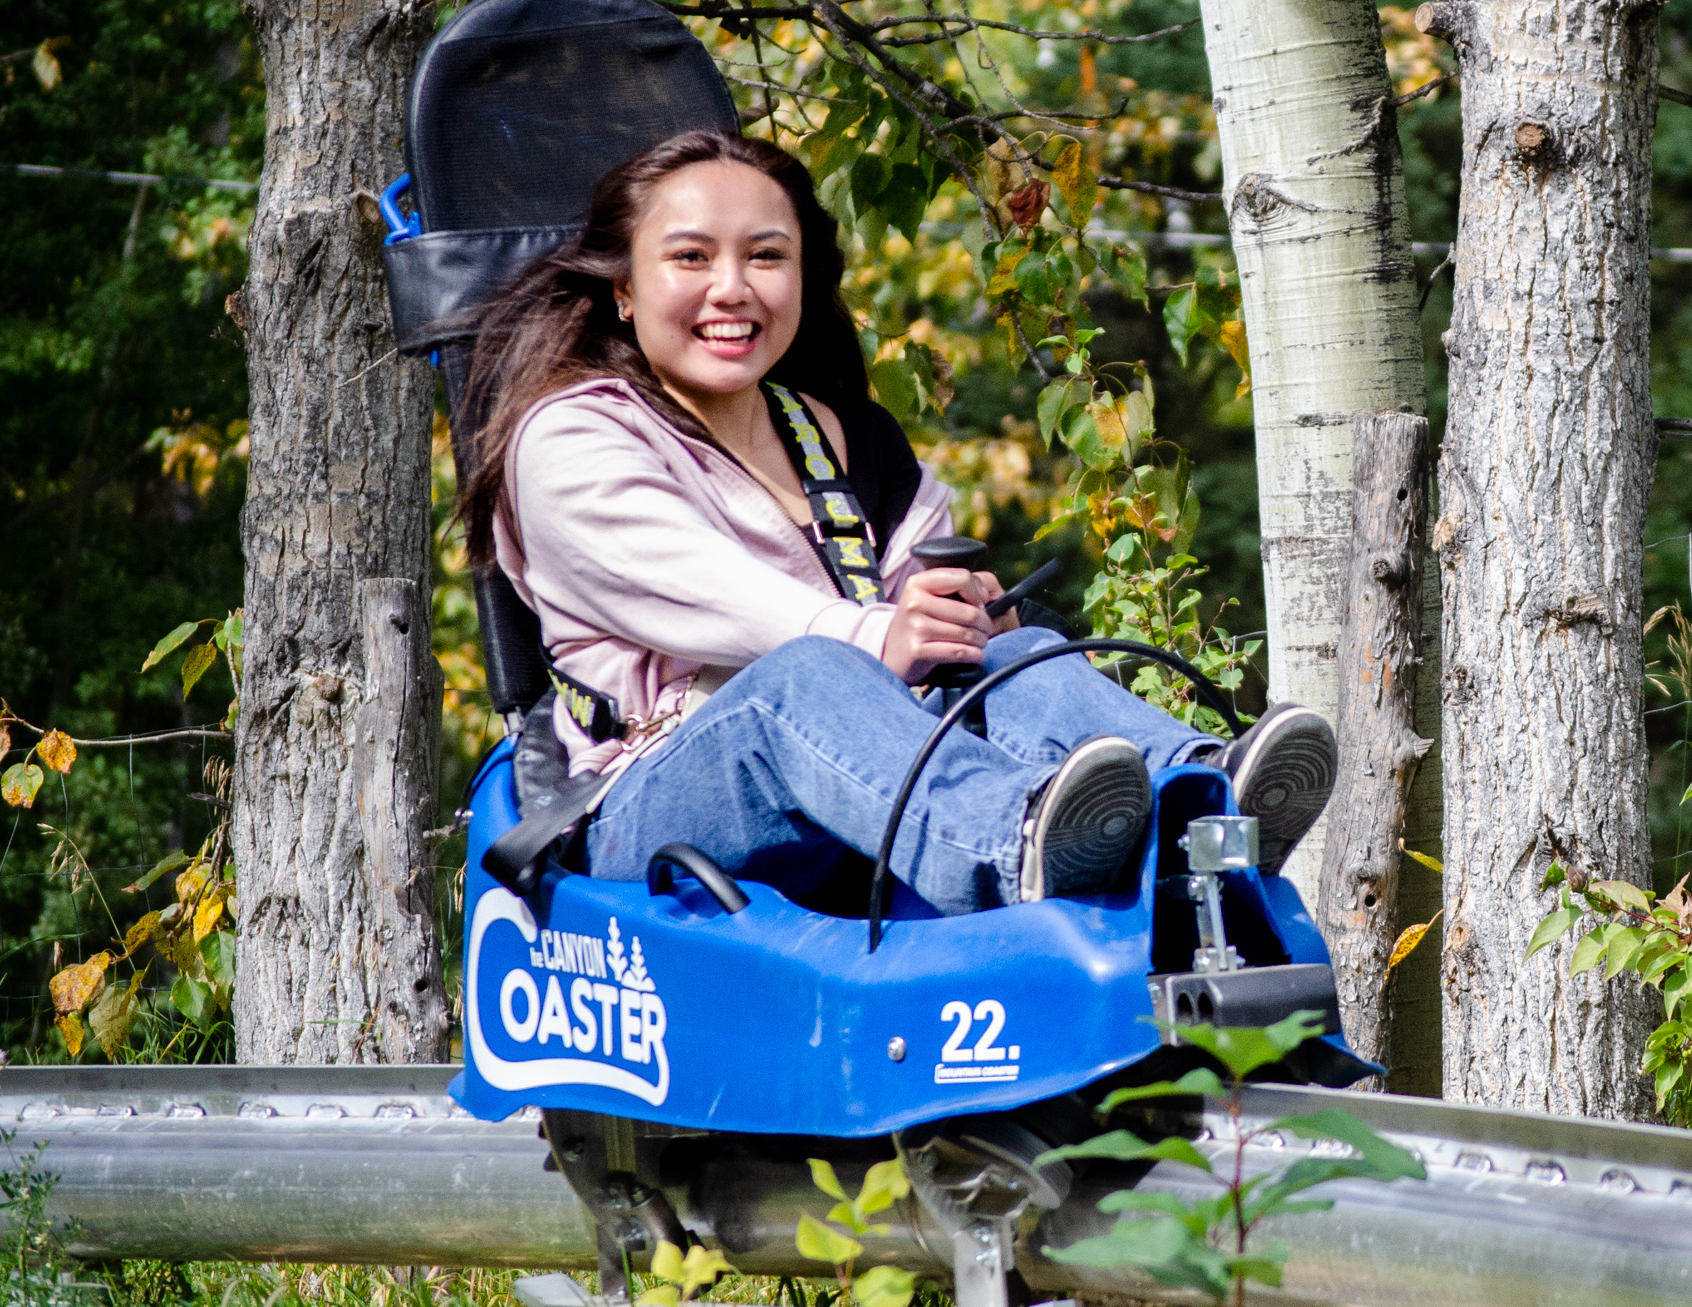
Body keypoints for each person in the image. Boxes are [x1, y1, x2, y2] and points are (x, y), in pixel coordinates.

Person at [461, 128, 1336, 918]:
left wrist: (961, 615)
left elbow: (924, 617)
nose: (732, 289)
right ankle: (1018, 846)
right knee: (808, 673)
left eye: (766, 257)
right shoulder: (571, 437)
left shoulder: (840, 433)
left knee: (1009, 654)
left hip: (868, 784)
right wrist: (883, 634)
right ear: (623, 288)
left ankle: (1204, 798)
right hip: (650, 804)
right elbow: (726, 600)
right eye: (690, 258)